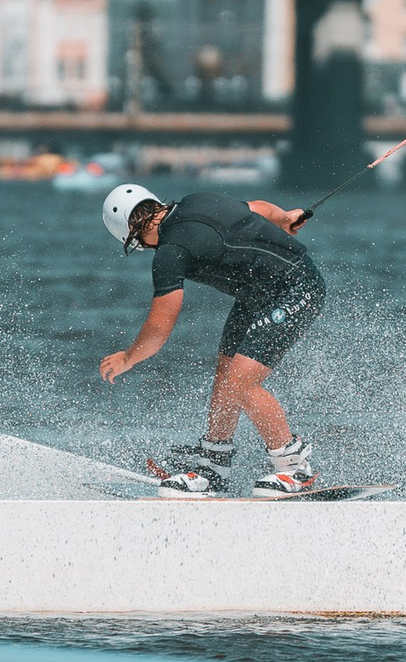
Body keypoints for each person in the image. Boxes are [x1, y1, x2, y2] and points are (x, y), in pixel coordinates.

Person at [98, 183, 324, 496]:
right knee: (226, 373)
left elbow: (160, 325)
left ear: (129, 237)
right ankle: (214, 467)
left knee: (242, 381)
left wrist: (128, 358)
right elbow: (259, 208)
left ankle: (296, 469)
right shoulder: (199, 200)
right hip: (255, 294)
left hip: (295, 289)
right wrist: (285, 218)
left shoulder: (170, 252)